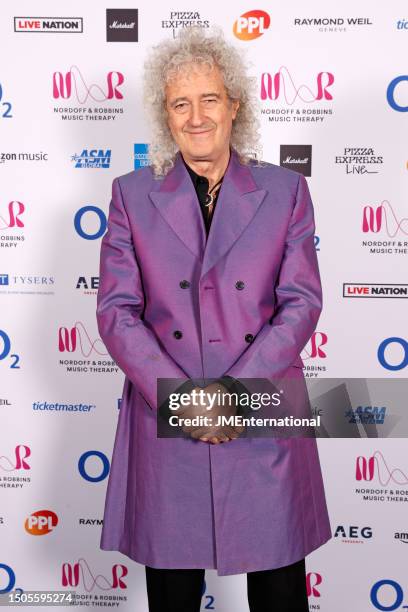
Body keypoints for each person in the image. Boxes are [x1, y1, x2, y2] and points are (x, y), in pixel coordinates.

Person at [96, 26, 332, 612]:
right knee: (173, 594)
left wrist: (233, 394)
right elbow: (116, 311)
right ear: (166, 116)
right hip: (169, 411)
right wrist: (183, 400)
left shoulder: (286, 190)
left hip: (261, 410)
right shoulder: (130, 194)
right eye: (180, 103)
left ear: (234, 106)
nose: (196, 116)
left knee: (279, 590)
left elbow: (300, 301)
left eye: (209, 99)